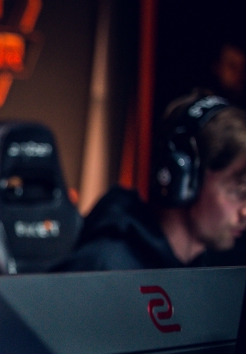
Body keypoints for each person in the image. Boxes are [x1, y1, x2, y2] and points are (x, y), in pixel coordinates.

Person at [56, 92, 246, 271]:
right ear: (184, 179)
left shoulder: (202, 274)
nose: (244, 212)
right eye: (239, 192)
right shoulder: (103, 266)